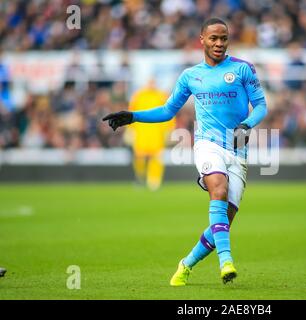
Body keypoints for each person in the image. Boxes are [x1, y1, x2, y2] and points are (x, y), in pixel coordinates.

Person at [103, 18, 267, 286]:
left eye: (223, 38)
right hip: (207, 145)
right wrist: (132, 116)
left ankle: (186, 264)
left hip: (238, 151)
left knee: (223, 223)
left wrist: (247, 124)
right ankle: (226, 261)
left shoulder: (243, 69)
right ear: (202, 39)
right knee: (219, 190)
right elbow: (168, 110)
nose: (219, 43)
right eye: (213, 38)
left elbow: (261, 105)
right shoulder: (191, 76)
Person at [126, 78, 174, 190]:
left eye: (153, 82)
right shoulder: (138, 95)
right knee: (139, 156)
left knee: (156, 157)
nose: (151, 84)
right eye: (149, 82)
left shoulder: (162, 95)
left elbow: (169, 113)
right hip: (141, 131)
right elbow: (131, 112)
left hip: (157, 132)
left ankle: (154, 180)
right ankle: (140, 177)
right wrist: (130, 130)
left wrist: (169, 130)